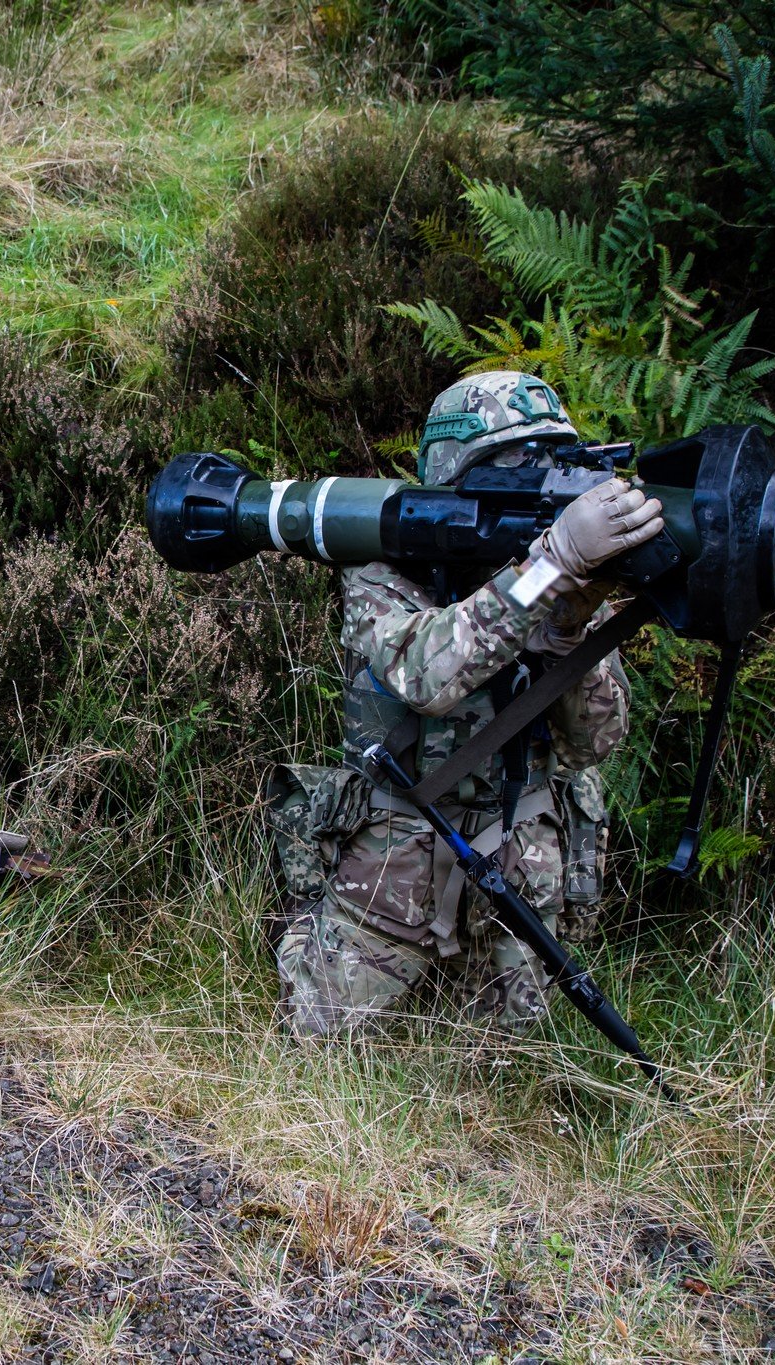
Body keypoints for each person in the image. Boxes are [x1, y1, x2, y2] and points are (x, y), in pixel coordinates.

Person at [265, 371, 663, 1037]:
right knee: (315, 1040)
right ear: (458, 475)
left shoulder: (557, 574)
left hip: (519, 853)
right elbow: (424, 676)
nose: (543, 482)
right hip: (396, 850)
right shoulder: (380, 568)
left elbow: (593, 742)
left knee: (508, 1073)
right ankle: (307, 920)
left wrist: (570, 629)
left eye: (552, 460)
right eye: (518, 463)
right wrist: (546, 566)